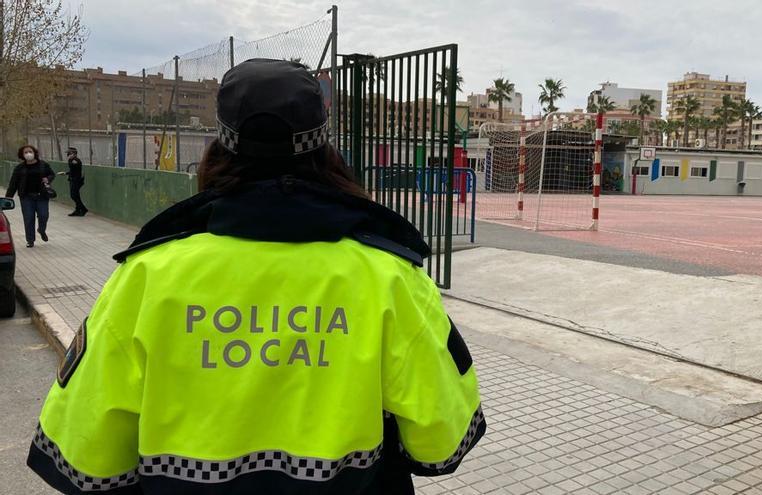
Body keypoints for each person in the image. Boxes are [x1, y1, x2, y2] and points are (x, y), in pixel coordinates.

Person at [27, 58, 485, 495]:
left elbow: (83, 457)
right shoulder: (389, 275)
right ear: (324, 147)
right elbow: (443, 442)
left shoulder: (148, 274)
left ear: (219, 145)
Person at [5, 145, 55, 248]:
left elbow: (52, 174)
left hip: (42, 196)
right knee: (28, 218)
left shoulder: (43, 165)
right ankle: (30, 240)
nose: (28, 154)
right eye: (25, 152)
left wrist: (48, 179)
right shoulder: (19, 168)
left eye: (30, 151)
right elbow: (13, 183)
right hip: (26, 197)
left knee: (43, 215)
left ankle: (41, 230)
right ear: (22, 155)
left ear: (34, 152)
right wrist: (8, 197)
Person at [58, 147, 87, 216]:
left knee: (74, 195)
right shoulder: (71, 160)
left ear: (74, 153)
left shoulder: (76, 161)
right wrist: (65, 173)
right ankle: (78, 210)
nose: (68, 155)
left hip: (76, 180)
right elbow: (72, 171)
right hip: (72, 179)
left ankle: (83, 209)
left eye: (70, 153)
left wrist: (66, 173)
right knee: (75, 196)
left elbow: (75, 171)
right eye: (68, 153)